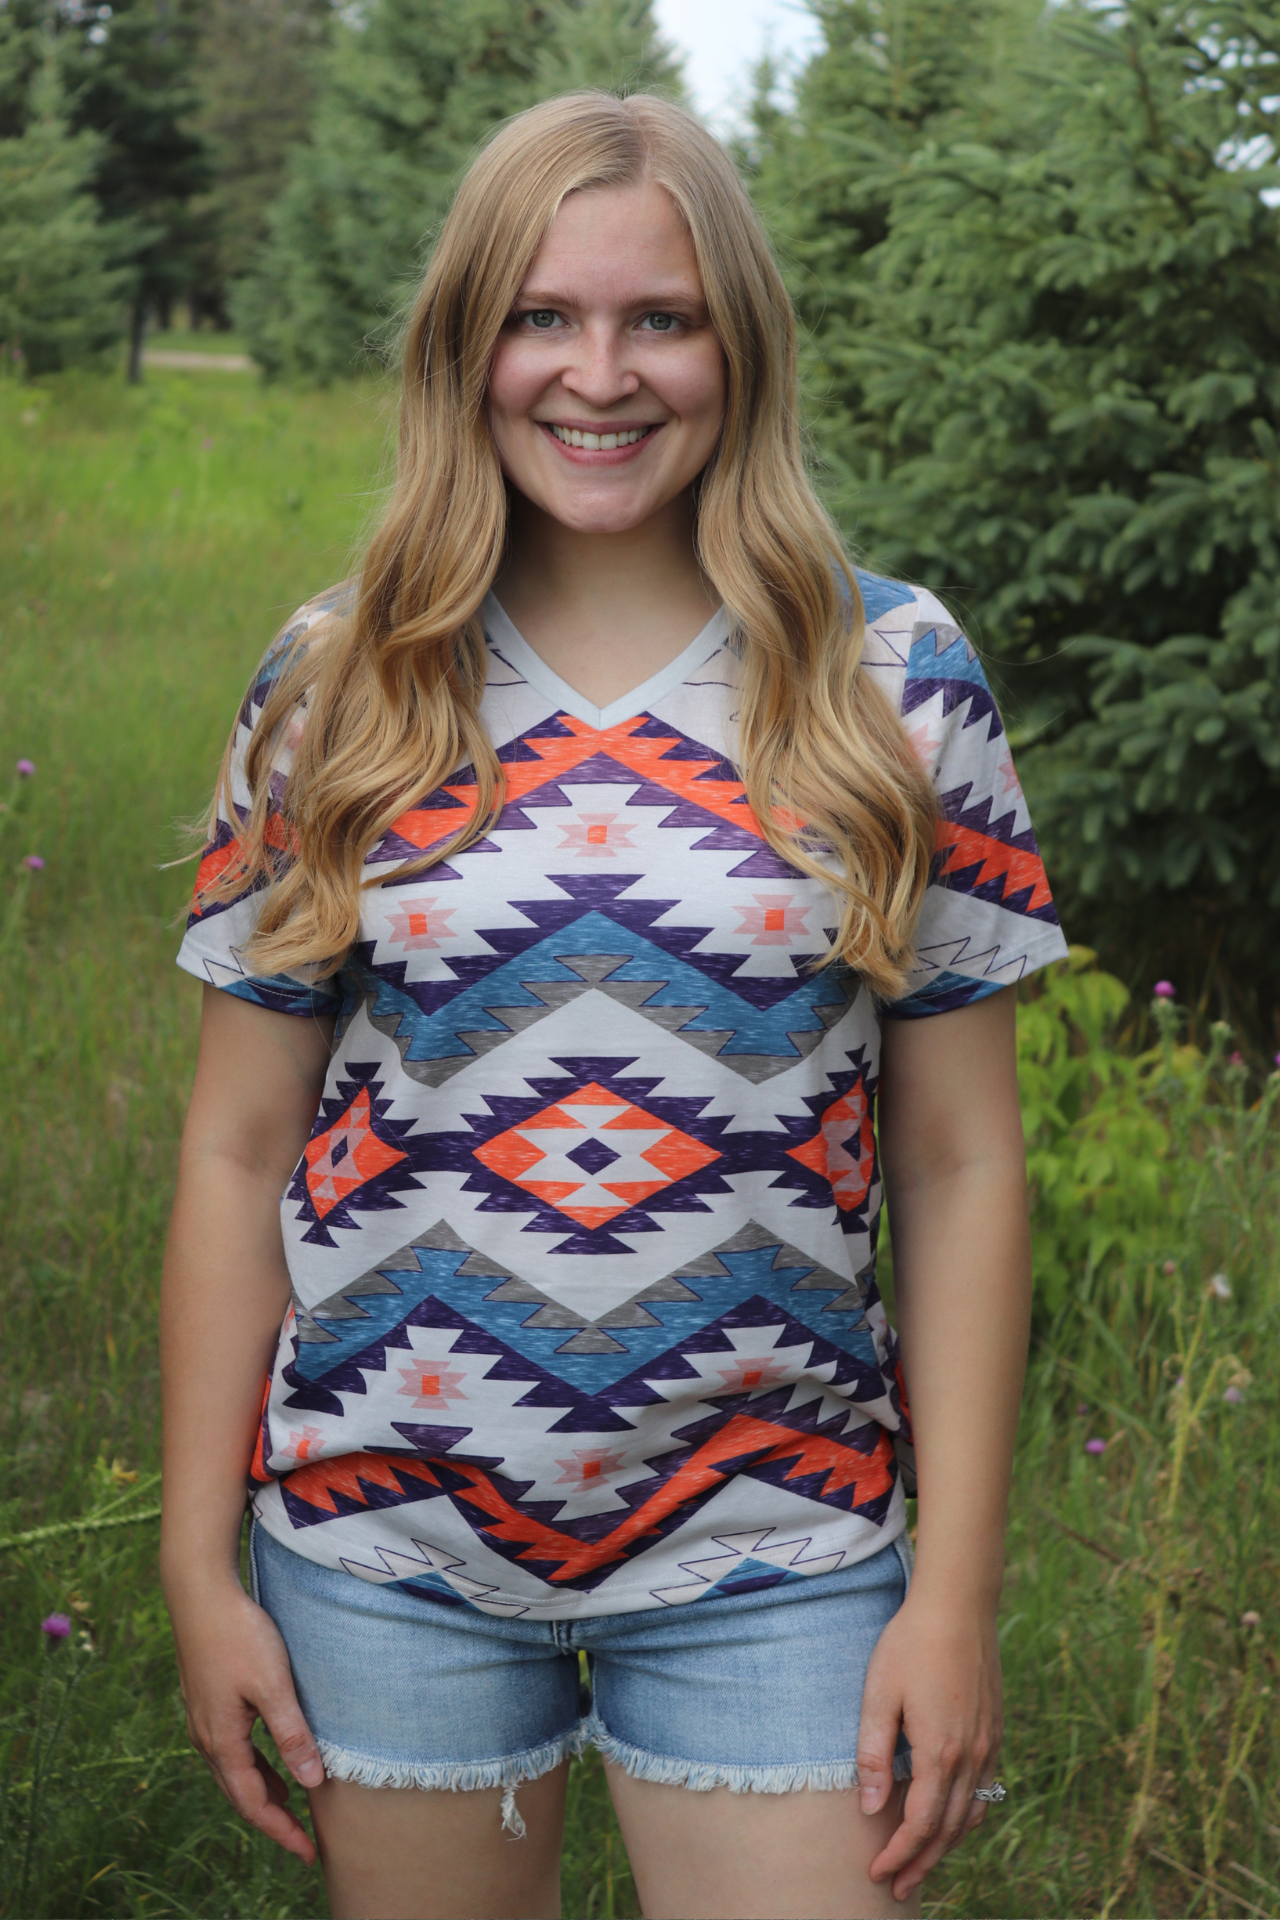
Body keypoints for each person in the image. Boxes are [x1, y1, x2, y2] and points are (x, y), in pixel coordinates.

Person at [159, 90, 1067, 1920]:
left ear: (740, 342)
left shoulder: (897, 677)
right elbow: (238, 1138)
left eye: (661, 318)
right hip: (382, 1546)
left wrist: (952, 1595)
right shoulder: (339, 682)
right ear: (464, 345)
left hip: (783, 1550)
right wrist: (197, 1559)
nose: (602, 374)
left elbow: (964, 1163)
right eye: (543, 317)